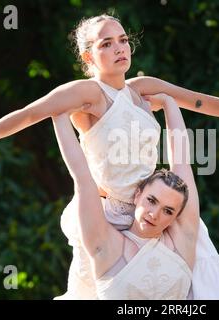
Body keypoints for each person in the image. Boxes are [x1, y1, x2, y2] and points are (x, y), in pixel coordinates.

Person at [0, 14, 219, 299]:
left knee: (196, 279)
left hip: (156, 203)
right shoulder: (89, 94)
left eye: (123, 40)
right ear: (89, 56)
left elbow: (197, 101)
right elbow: (32, 112)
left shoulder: (142, 89)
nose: (120, 48)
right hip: (114, 216)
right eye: (107, 43)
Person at [52, 93, 198, 299]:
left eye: (168, 211)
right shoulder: (107, 245)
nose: (155, 214)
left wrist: (169, 103)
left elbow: (182, 161)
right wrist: (58, 113)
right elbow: (83, 179)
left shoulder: (185, 240)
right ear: (138, 195)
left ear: (176, 218)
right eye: (151, 200)